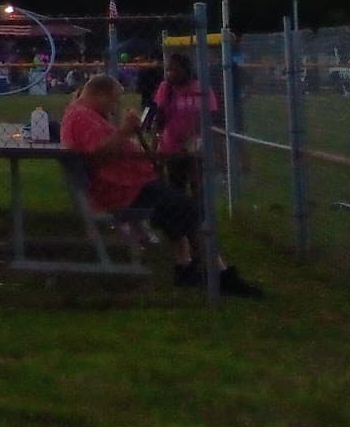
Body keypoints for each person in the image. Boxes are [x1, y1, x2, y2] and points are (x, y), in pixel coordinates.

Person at [59, 75, 260, 295]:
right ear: (99, 94)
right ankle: (221, 276)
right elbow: (97, 155)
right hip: (123, 191)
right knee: (189, 210)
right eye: (113, 100)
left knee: (176, 207)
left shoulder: (83, 114)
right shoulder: (81, 117)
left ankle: (185, 266)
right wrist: (124, 131)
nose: (115, 106)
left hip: (129, 186)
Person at [150, 52, 214, 192]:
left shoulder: (201, 88)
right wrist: (155, 147)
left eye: (174, 70)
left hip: (196, 143)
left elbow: (212, 115)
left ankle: (200, 212)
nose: (170, 74)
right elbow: (159, 119)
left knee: (198, 186)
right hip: (172, 145)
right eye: (168, 70)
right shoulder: (165, 88)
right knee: (177, 186)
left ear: (186, 69)